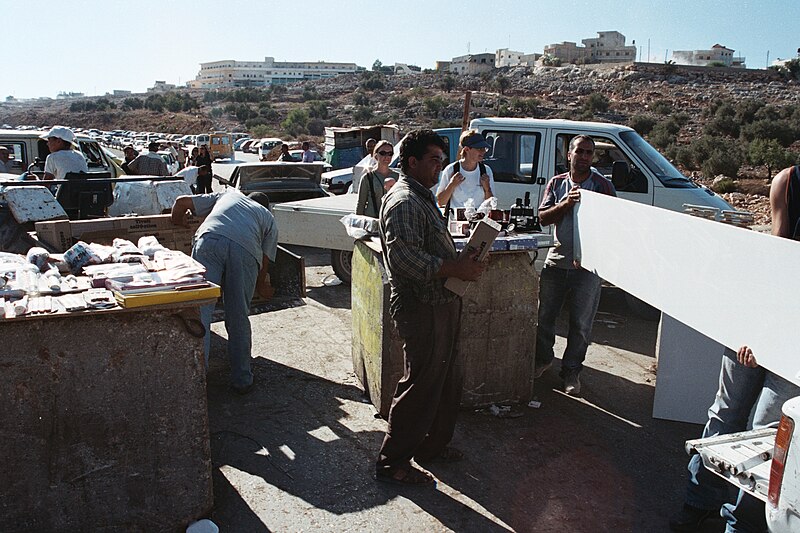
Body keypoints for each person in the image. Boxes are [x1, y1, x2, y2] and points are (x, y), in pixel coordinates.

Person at [669, 164, 800, 532]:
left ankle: (739, 523)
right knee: (726, 415)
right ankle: (698, 503)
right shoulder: (788, 181)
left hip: (795, 340)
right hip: (761, 317)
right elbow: (778, 258)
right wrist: (754, 329)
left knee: (770, 433)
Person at [375, 129, 486, 486]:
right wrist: (455, 267)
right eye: (434, 160)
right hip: (421, 307)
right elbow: (405, 258)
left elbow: (426, 246)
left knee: (446, 380)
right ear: (412, 162)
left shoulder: (422, 197)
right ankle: (392, 463)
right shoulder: (405, 200)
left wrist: (463, 256)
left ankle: (429, 447)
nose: (441, 167)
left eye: (442, 159)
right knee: (421, 385)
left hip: (441, 301)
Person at [171, 190, 278, 395]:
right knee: (238, 316)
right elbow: (264, 260)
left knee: (201, 313)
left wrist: (177, 222)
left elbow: (180, 202)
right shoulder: (268, 218)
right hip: (245, 251)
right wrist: (261, 286)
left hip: (209, 240)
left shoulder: (228, 195)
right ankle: (242, 380)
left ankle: (197, 381)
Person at [533, 135, 616, 396]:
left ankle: (571, 372)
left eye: (589, 153)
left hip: (588, 269)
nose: (584, 157)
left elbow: (615, 225)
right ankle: (542, 360)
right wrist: (566, 204)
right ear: (569, 155)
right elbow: (543, 217)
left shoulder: (602, 186)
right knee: (545, 317)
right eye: (579, 151)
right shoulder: (557, 183)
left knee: (580, 325)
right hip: (556, 262)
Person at [436, 129, 495, 210]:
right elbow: (440, 202)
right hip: (455, 221)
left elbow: (491, 206)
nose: (483, 152)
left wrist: (487, 189)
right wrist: (452, 184)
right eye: (479, 148)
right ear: (467, 149)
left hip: (479, 221)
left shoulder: (486, 171)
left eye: (484, 148)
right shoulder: (451, 169)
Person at [356, 140, 398, 218]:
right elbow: (361, 204)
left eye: (390, 154)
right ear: (376, 155)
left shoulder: (398, 177)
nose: (387, 157)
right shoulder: (367, 178)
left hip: (391, 221)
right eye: (383, 153)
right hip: (372, 221)